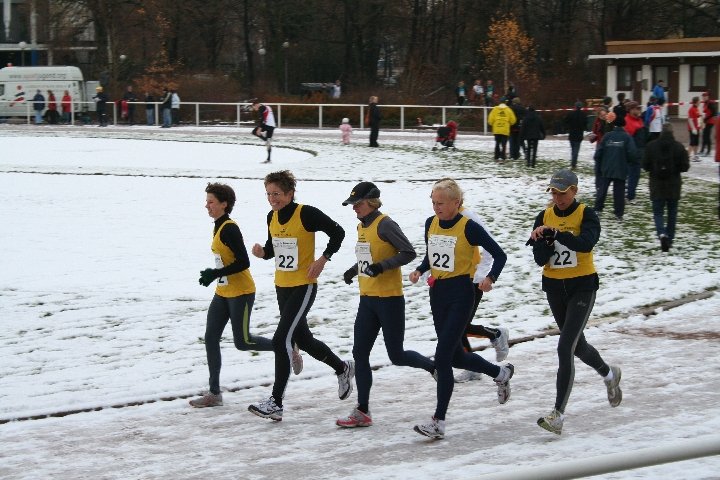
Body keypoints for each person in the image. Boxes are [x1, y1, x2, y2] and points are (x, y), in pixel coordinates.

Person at [248, 170, 354, 421]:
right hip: (281, 286)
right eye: (269, 194)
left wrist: (323, 260)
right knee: (304, 340)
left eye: (277, 194)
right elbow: (274, 249)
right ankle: (343, 368)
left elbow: (338, 232)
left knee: (280, 339)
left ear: (290, 193)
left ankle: (276, 402)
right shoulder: (271, 216)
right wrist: (263, 253)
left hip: (304, 285)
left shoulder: (306, 213)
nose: (273, 199)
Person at [408, 179, 509, 439]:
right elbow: (432, 254)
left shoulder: (469, 227)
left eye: (441, 203)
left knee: (442, 357)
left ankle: (438, 421)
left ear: (456, 203)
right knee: (456, 357)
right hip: (438, 294)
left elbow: (500, 255)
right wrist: (421, 269)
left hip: (462, 293)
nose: (436, 207)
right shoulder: (431, 224)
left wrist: (490, 278)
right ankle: (500, 373)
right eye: (433, 202)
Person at [528, 168, 622, 435]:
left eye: (563, 193)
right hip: (555, 287)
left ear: (574, 191)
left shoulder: (586, 214)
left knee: (565, 346)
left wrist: (556, 235)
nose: (558, 198)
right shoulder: (543, 216)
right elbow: (539, 259)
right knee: (577, 346)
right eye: (554, 193)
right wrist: (543, 241)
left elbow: (586, 244)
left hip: (582, 286)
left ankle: (558, 414)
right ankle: (609, 374)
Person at [336, 182, 435, 428]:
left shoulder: (386, 224)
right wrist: (353, 270)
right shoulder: (361, 226)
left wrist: (381, 267)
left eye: (357, 204)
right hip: (367, 299)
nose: (354, 209)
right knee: (359, 353)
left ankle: (434, 367)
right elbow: (367, 258)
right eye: (352, 204)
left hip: (389, 300)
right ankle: (363, 410)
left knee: (397, 355)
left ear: (372, 202)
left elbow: (408, 252)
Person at [190, 183, 274, 408]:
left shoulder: (229, 228)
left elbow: (244, 262)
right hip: (223, 292)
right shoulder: (217, 226)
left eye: (211, 202)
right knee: (210, 338)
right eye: (207, 201)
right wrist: (215, 276)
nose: (206, 205)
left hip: (242, 293)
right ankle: (214, 393)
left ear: (224, 204)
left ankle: (285, 345)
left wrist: (215, 272)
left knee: (243, 342)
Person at [642, 123, 690, 252]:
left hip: (656, 184)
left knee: (658, 212)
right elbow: (685, 167)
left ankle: (662, 234)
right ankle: (670, 238)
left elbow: (645, 165)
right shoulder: (679, 147)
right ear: (672, 132)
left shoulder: (651, 146)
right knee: (672, 213)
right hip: (673, 185)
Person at [594, 117, 637, 221]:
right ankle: (619, 213)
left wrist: (599, 165)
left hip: (606, 168)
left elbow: (599, 152)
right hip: (621, 168)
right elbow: (632, 153)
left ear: (614, 125)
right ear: (624, 126)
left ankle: (598, 209)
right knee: (619, 193)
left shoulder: (607, 136)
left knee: (602, 190)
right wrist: (630, 162)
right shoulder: (627, 137)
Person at [623, 101, 647, 204]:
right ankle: (630, 197)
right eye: (636, 108)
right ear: (631, 110)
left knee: (634, 176)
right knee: (633, 175)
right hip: (633, 154)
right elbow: (628, 140)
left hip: (640, 152)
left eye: (639, 108)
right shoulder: (628, 121)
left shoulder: (639, 120)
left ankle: (629, 194)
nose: (638, 110)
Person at [564, 102, 587, 169]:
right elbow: (586, 124)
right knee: (576, 149)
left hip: (572, 134)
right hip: (579, 134)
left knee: (573, 149)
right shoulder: (583, 115)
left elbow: (565, 121)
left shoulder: (571, 114)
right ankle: (574, 164)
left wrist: (568, 127)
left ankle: (573, 163)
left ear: (575, 107)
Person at [700, 91, 717, 157]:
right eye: (703, 97)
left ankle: (708, 151)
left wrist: (706, 119)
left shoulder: (710, 103)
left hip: (710, 122)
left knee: (706, 136)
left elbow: (714, 113)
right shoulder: (705, 103)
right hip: (706, 121)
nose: (704, 98)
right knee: (704, 136)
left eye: (705, 96)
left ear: (708, 97)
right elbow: (705, 112)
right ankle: (702, 150)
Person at [687, 96, 702, 162]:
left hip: (697, 128)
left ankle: (695, 156)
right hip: (692, 129)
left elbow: (698, 118)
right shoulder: (691, 109)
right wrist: (693, 128)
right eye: (699, 101)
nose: (700, 102)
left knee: (696, 142)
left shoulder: (697, 109)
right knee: (692, 143)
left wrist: (700, 126)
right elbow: (690, 119)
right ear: (696, 102)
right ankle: (687, 156)